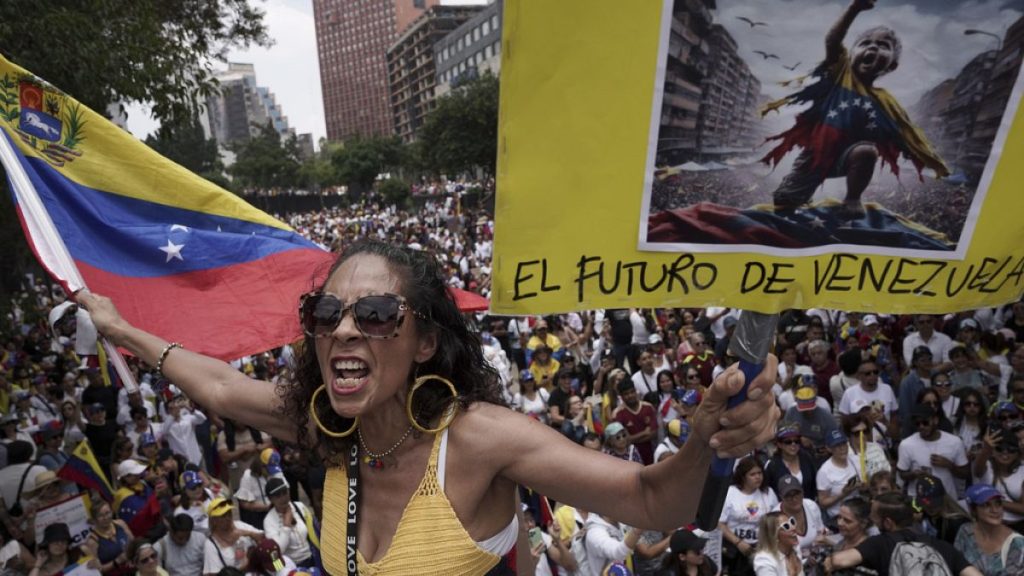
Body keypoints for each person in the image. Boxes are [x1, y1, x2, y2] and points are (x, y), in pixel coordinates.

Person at [77, 239, 780, 576]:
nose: (346, 329)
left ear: (422, 343)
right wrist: (120, 329)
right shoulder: (325, 427)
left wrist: (709, 441)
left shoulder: (479, 441)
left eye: (378, 313)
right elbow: (222, 388)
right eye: (328, 313)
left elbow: (655, 501)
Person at [762, 0, 948, 216]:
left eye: (883, 45)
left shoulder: (886, 101)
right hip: (817, 154)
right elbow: (832, 41)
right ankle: (793, 201)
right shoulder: (841, 75)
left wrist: (930, 159)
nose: (872, 46)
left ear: (892, 65)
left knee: (867, 151)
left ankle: (852, 199)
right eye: (865, 42)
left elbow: (906, 131)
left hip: (851, 157)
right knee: (784, 202)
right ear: (849, 56)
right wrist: (854, 9)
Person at [825, 493, 980, 576]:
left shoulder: (879, 543)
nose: (872, 522)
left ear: (887, 523)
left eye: (874, 519)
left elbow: (840, 561)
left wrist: (828, 560)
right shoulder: (941, 546)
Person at [718, 456, 779, 576]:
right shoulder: (730, 493)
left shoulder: (768, 493)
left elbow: (776, 520)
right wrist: (738, 542)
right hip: (735, 549)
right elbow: (720, 523)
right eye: (752, 474)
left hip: (762, 547)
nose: (758, 477)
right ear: (743, 476)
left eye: (760, 473)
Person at [897, 404, 968, 500]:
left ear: (935, 420)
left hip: (947, 499)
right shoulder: (906, 444)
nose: (921, 427)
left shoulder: (954, 442)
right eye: (917, 424)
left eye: (925, 422)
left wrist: (949, 465)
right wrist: (914, 474)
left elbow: (965, 473)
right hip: (919, 500)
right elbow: (902, 474)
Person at [953, 484, 1024, 575]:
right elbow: (956, 565)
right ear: (973, 510)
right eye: (986, 505)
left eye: (998, 504)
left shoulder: (1018, 544)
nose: (995, 510)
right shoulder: (966, 531)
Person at [261, 477, 314, 568]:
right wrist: (286, 526)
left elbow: (314, 533)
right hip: (290, 567)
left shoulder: (299, 507)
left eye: (285, 493)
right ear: (271, 499)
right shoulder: (268, 521)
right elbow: (276, 552)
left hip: (313, 558)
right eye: (278, 496)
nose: (283, 498)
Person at [202, 498, 262, 575]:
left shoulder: (240, 525)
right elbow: (213, 574)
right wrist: (245, 566)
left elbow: (265, 540)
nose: (228, 518)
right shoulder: (210, 544)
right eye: (223, 516)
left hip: (258, 572)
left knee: (271, 549)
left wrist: (248, 533)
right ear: (214, 520)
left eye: (229, 513)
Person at [771, 476, 826, 560]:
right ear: (781, 497)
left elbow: (821, 533)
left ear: (802, 492)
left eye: (797, 493)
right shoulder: (774, 518)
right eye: (788, 496)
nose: (794, 499)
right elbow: (776, 553)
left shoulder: (811, 506)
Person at [764, 424, 818, 501]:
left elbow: (814, 483)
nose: (793, 444)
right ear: (779, 444)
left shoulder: (807, 458)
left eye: (796, 441)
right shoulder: (772, 465)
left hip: (808, 506)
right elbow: (768, 491)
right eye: (788, 442)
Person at [816, 430, 859, 522]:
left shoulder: (855, 460)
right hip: (838, 515)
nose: (842, 448)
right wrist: (844, 493)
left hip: (857, 510)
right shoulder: (824, 472)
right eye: (837, 446)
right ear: (829, 448)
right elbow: (823, 502)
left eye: (844, 444)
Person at [912, 475, 969, 545]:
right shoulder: (927, 514)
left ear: (943, 498)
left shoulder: (957, 524)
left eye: (934, 504)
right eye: (925, 504)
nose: (930, 507)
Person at [612, 380, 657, 465]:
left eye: (632, 392)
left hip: (651, 453)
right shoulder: (617, 414)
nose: (630, 396)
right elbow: (624, 440)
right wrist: (644, 433)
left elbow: (654, 433)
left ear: (636, 391)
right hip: (630, 457)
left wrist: (632, 438)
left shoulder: (648, 407)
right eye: (626, 394)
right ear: (621, 396)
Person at [88, 500, 134, 576]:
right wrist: (117, 561)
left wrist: (132, 557)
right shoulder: (92, 541)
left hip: (132, 568)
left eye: (107, 513)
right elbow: (98, 571)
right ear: (94, 519)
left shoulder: (120, 524)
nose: (105, 517)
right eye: (100, 515)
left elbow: (134, 543)